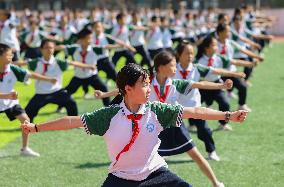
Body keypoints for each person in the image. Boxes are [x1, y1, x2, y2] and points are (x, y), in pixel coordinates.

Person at [22, 63, 247, 186]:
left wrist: (228, 115)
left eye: (150, 84)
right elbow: (72, 121)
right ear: (128, 89)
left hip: (157, 175)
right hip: (120, 180)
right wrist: (37, 127)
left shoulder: (156, 110)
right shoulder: (108, 116)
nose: (149, 90)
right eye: (144, 85)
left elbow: (195, 111)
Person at [0, 43, 59, 157]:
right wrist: (7, 95)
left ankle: (25, 149)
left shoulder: (13, 69)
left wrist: (49, 79)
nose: (12, 56)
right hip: (7, 98)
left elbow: (31, 75)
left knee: (25, 120)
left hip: (9, 102)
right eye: (8, 55)